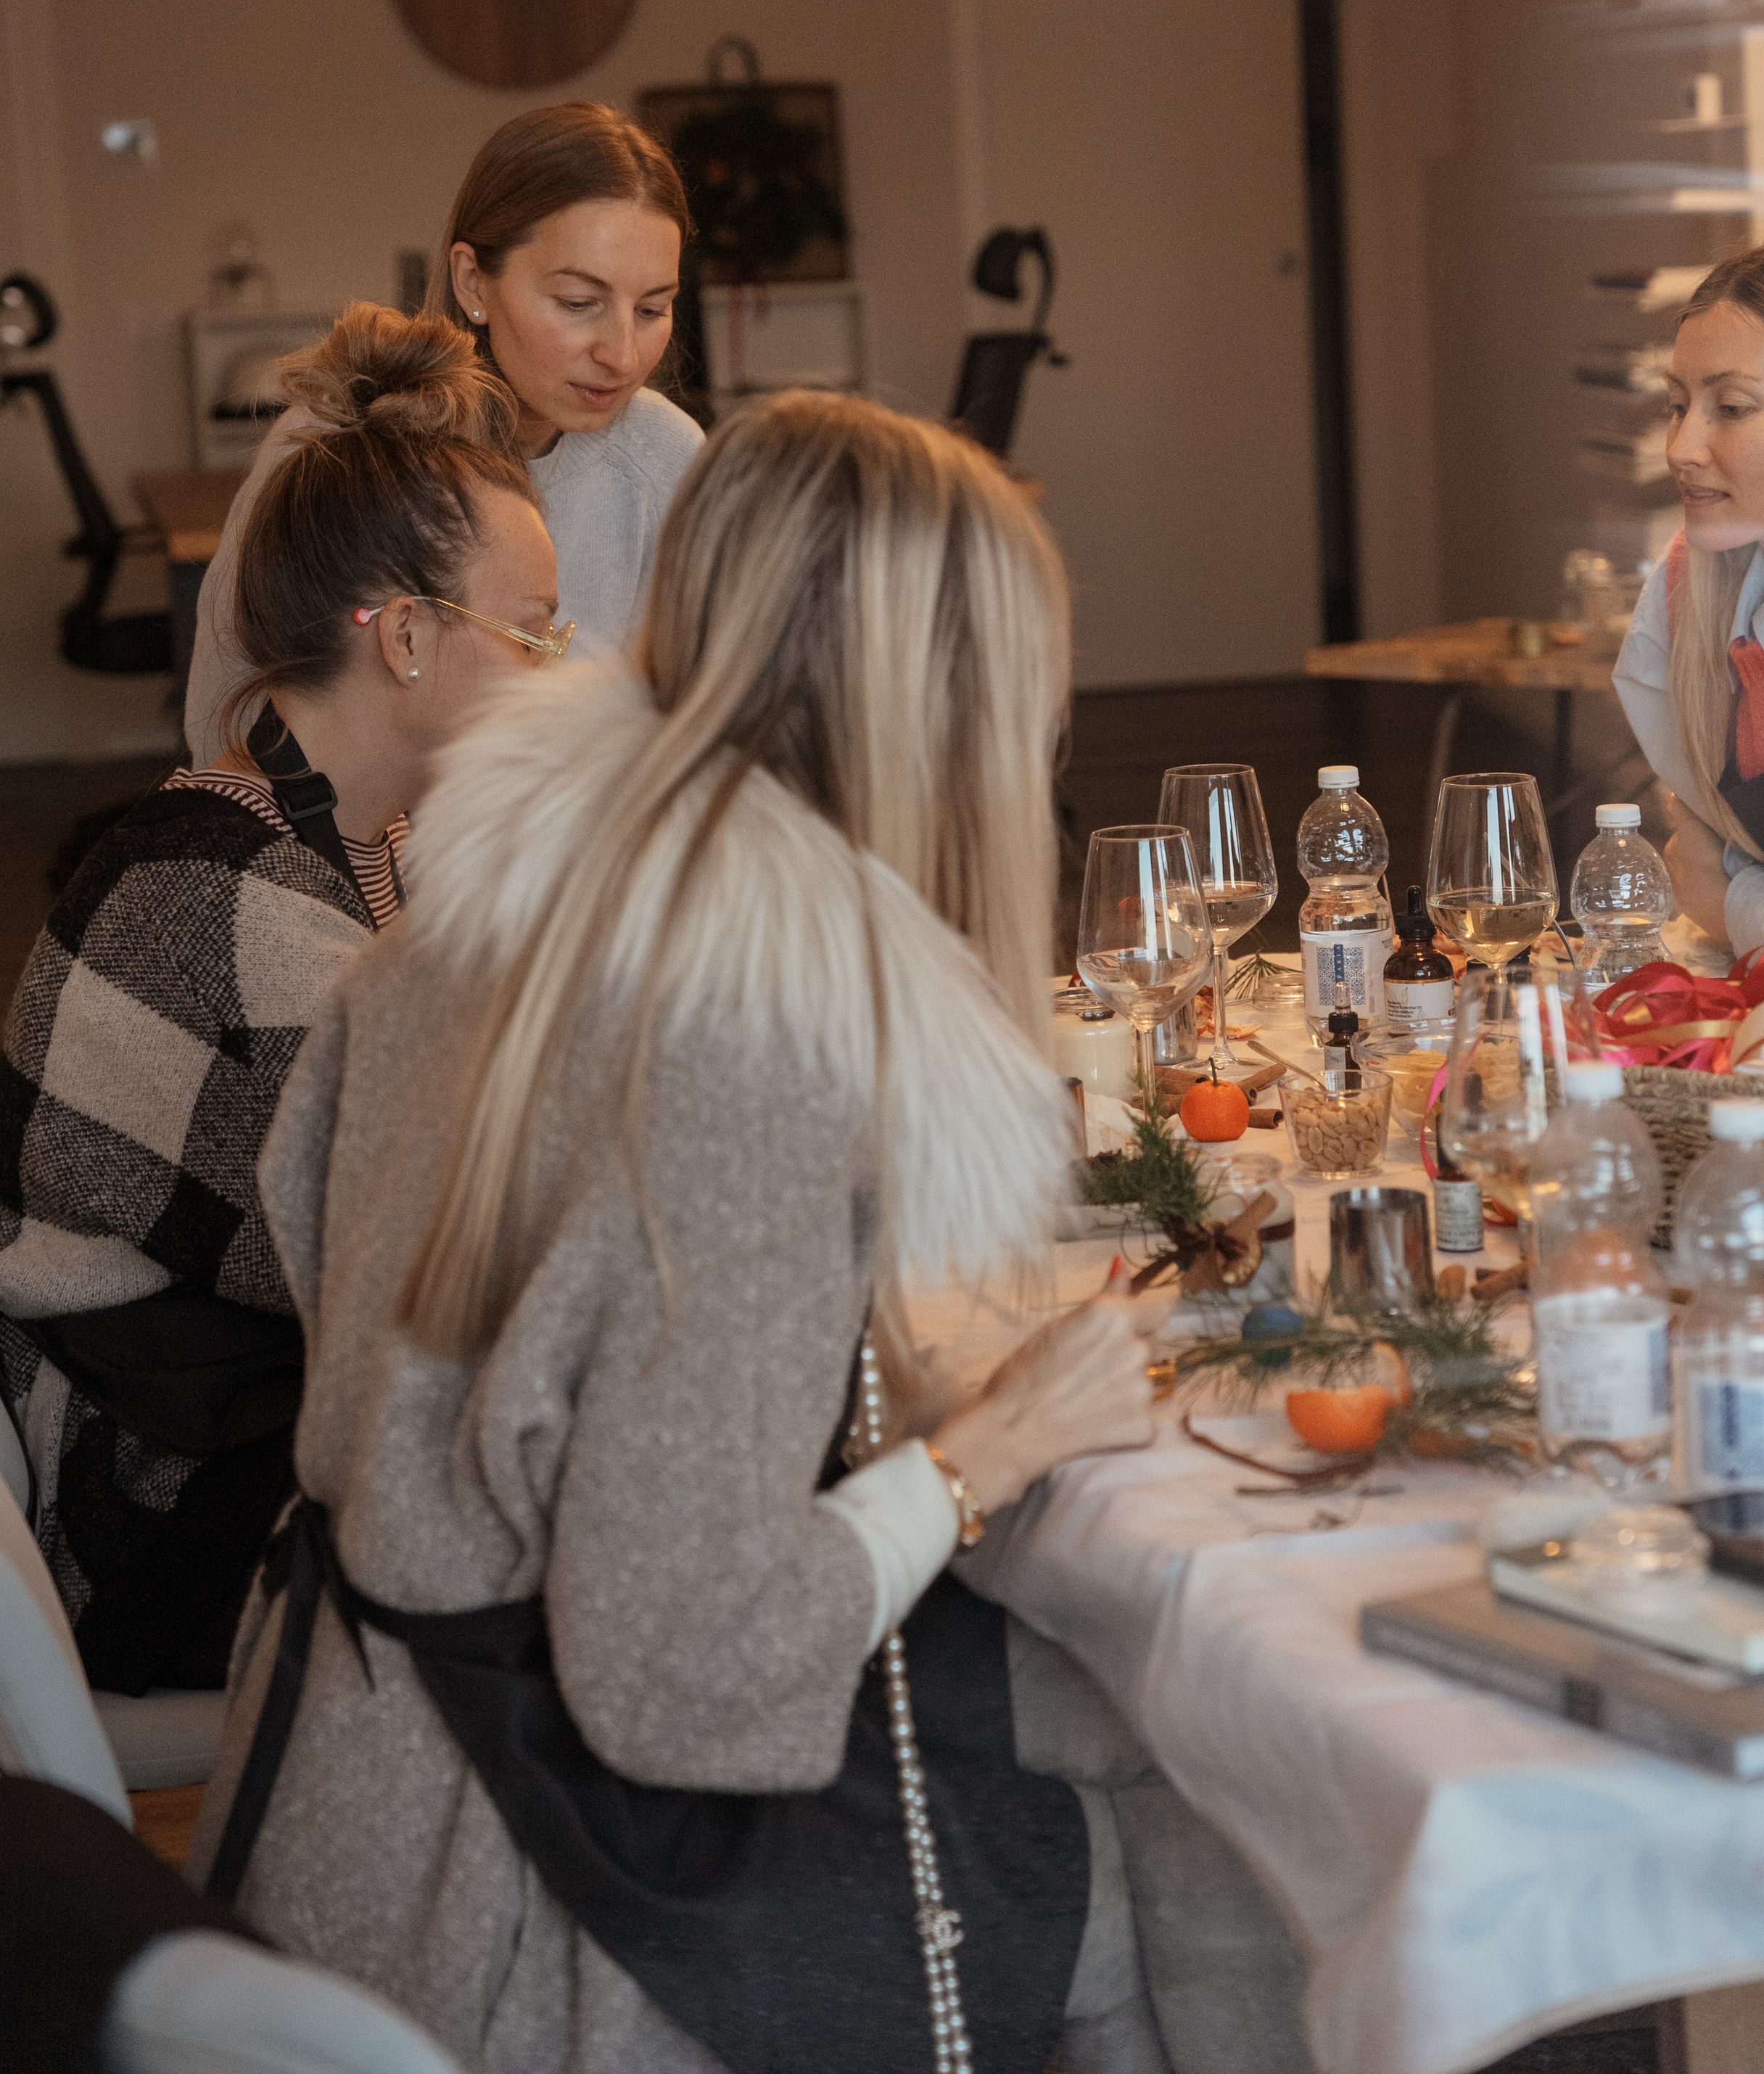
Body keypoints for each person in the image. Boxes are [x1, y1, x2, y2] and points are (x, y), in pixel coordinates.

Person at [191, 390, 1170, 2074]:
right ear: (946, 704)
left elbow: (325, 1246)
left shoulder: (471, 912)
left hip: (338, 1795)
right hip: (533, 1909)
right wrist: (978, 1452)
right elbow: (678, 1671)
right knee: (1181, 1785)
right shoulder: (756, 1039)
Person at [0, 305, 560, 1694]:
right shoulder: (231, 905)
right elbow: (452, 1286)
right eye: (535, 635)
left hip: (223, 1435)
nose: (559, 678)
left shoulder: (364, 845)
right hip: (150, 1518)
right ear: (412, 639)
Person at [185, 103, 702, 760]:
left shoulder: (668, 462)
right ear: (471, 280)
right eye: (578, 304)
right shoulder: (338, 439)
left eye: (654, 308)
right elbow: (222, 719)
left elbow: (701, 734)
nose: (624, 355)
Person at [1615, 236, 1764, 956]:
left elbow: (1705, 875)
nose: (1682, 449)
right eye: (1678, 405)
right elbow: (1699, 847)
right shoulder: (1690, 584)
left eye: (1733, 407)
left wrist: (1733, 907)